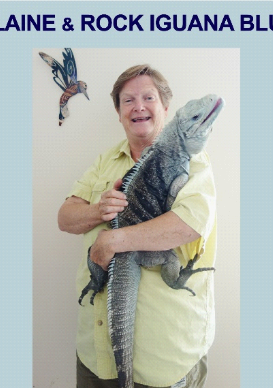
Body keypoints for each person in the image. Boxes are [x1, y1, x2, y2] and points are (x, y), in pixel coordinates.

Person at [58, 64, 217, 388]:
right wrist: (99, 209)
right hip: (94, 350)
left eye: (148, 97)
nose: (139, 106)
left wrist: (111, 242)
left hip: (163, 358)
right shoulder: (106, 160)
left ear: (165, 108)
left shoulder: (192, 160)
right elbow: (65, 218)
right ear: (118, 113)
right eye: (128, 100)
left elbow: (190, 224)